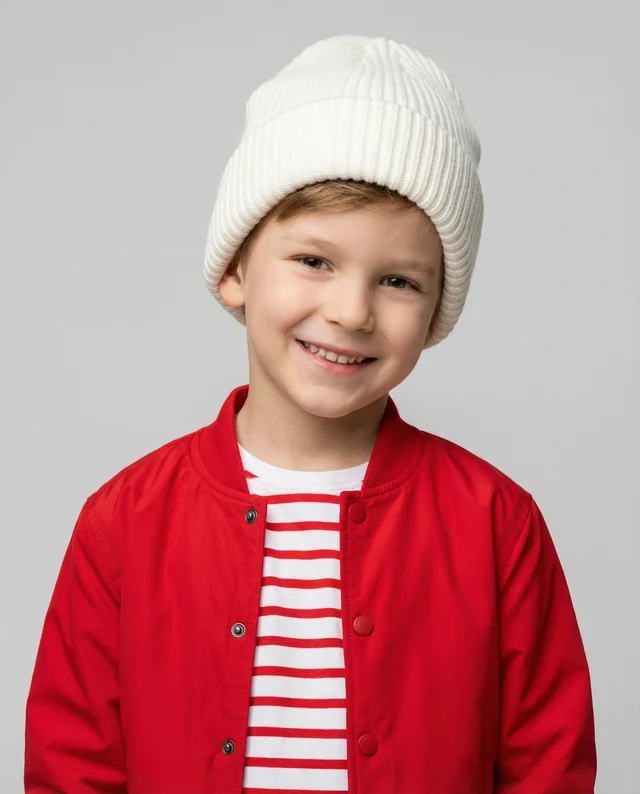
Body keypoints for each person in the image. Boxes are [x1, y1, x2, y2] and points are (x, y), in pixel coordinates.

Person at [24, 35, 597, 794]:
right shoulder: (123, 522)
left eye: (398, 280)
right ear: (235, 270)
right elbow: (71, 769)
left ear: (436, 313)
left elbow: (549, 767)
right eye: (315, 261)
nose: (351, 311)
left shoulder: (497, 523)